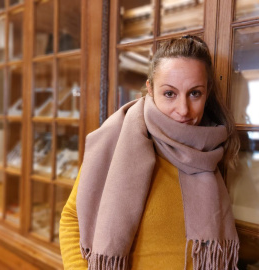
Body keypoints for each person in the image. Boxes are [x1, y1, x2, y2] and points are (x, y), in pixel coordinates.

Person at [59, 35, 240, 270]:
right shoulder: (114, 143)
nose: (183, 110)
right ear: (150, 89)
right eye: (169, 94)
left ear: (207, 93)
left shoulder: (213, 150)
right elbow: (72, 219)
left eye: (194, 93)